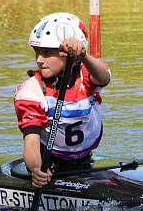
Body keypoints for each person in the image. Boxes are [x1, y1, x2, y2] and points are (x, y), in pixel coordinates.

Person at [14, 12, 111, 188]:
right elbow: (31, 142)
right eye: (37, 52)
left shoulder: (87, 76)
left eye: (47, 53)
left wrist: (83, 55)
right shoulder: (31, 91)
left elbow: (104, 77)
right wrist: (36, 170)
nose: (39, 60)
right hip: (48, 165)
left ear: (67, 55)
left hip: (85, 162)